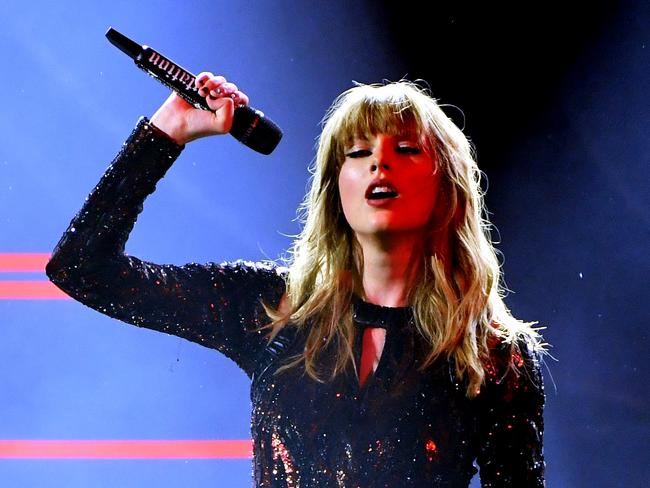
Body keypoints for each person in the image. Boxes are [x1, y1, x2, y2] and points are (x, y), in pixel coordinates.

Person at [46, 73, 546, 487]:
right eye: (357, 151)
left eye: (407, 149)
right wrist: (169, 130)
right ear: (336, 187)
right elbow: (82, 269)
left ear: (447, 184)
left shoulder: (493, 355)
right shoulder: (272, 308)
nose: (379, 162)